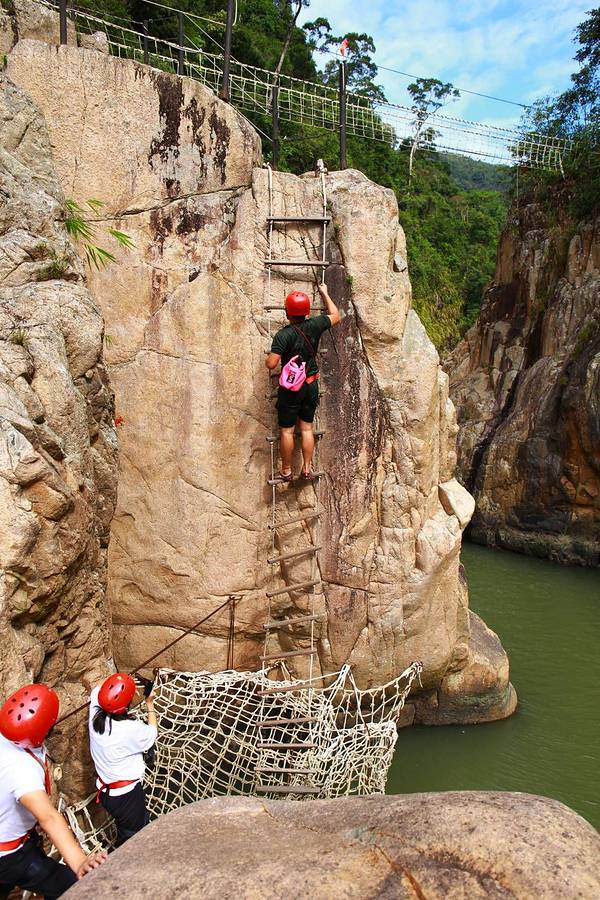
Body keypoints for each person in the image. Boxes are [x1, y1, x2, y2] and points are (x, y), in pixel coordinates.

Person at [0, 683, 106, 899]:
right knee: (68, 887)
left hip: (16, 841)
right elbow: (48, 817)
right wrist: (80, 862)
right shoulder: (22, 768)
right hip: (10, 855)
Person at [265, 282, 341, 480]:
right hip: (311, 383)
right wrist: (325, 293)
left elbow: (271, 364)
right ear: (307, 311)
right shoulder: (315, 325)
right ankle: (306, 468)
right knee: (307, 427)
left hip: (292, 388)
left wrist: (269, 357)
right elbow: (336, 315)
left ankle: (287, 470)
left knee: (287, 431)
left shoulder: (283, 335)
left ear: (287, 312)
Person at [88, 673, 157, 849]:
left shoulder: (95, 712)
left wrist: (123, 681)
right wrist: (149, 703)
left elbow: (98, 690)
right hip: (126, 797)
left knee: (125, 828)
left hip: (106, 793)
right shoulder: (129, 729)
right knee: (136, 837)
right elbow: (152, 733)